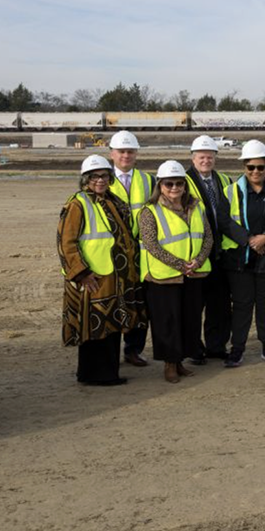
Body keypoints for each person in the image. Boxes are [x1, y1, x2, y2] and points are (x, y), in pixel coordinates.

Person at [57, 155, 142, 386]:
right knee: (94, 328)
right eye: (94, 176)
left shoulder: (112, 201)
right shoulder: (77, 204)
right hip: (92, 278)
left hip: (113, 277)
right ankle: (97, 375)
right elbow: (66, 242)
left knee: (111, 327)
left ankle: (107, 373)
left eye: (104, 176)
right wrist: (81, 273)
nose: (100, 180)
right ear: (85, 179)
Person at [218, 140, 265, 366]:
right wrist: (250, 240)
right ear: (244, 166)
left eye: (260, 167)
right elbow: (224, 221)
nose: (255, 171)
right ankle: (237, 348)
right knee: (242, 305)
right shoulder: (230, 192)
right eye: (251, 167)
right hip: (240, 259)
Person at [138, 161, 212, 383]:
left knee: (189, 320)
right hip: (163, 277)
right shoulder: (149, 211)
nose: (174, 188)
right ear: (160, 185)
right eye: (169, 183)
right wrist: (180, 264)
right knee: (167, 322)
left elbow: (208, 237)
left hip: (193, 274)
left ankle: (180, 361)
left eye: (179, 183)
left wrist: (198, 260)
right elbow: (151, 244)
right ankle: (169, 364)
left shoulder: (196, 207)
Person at [107, 130, 152, 368]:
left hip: (141, 252)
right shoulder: (102, 179)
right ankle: (111, 351)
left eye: (130, 151)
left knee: (140, 303)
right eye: (122, 151)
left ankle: (134, 349)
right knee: (115, 301)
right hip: (113, 253)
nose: (126, 155)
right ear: (112, 154)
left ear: (136, 154)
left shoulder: (148, 180)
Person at [185, 135, 232, 363]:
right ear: (193, 158)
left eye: (210, 157)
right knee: (194, 306)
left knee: (219, 304)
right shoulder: (182, 181)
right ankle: (194, 349)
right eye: (202, 157)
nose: (206, 161)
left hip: (220, 253)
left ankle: (216, 346)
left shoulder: (224, 180)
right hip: (195, 253)